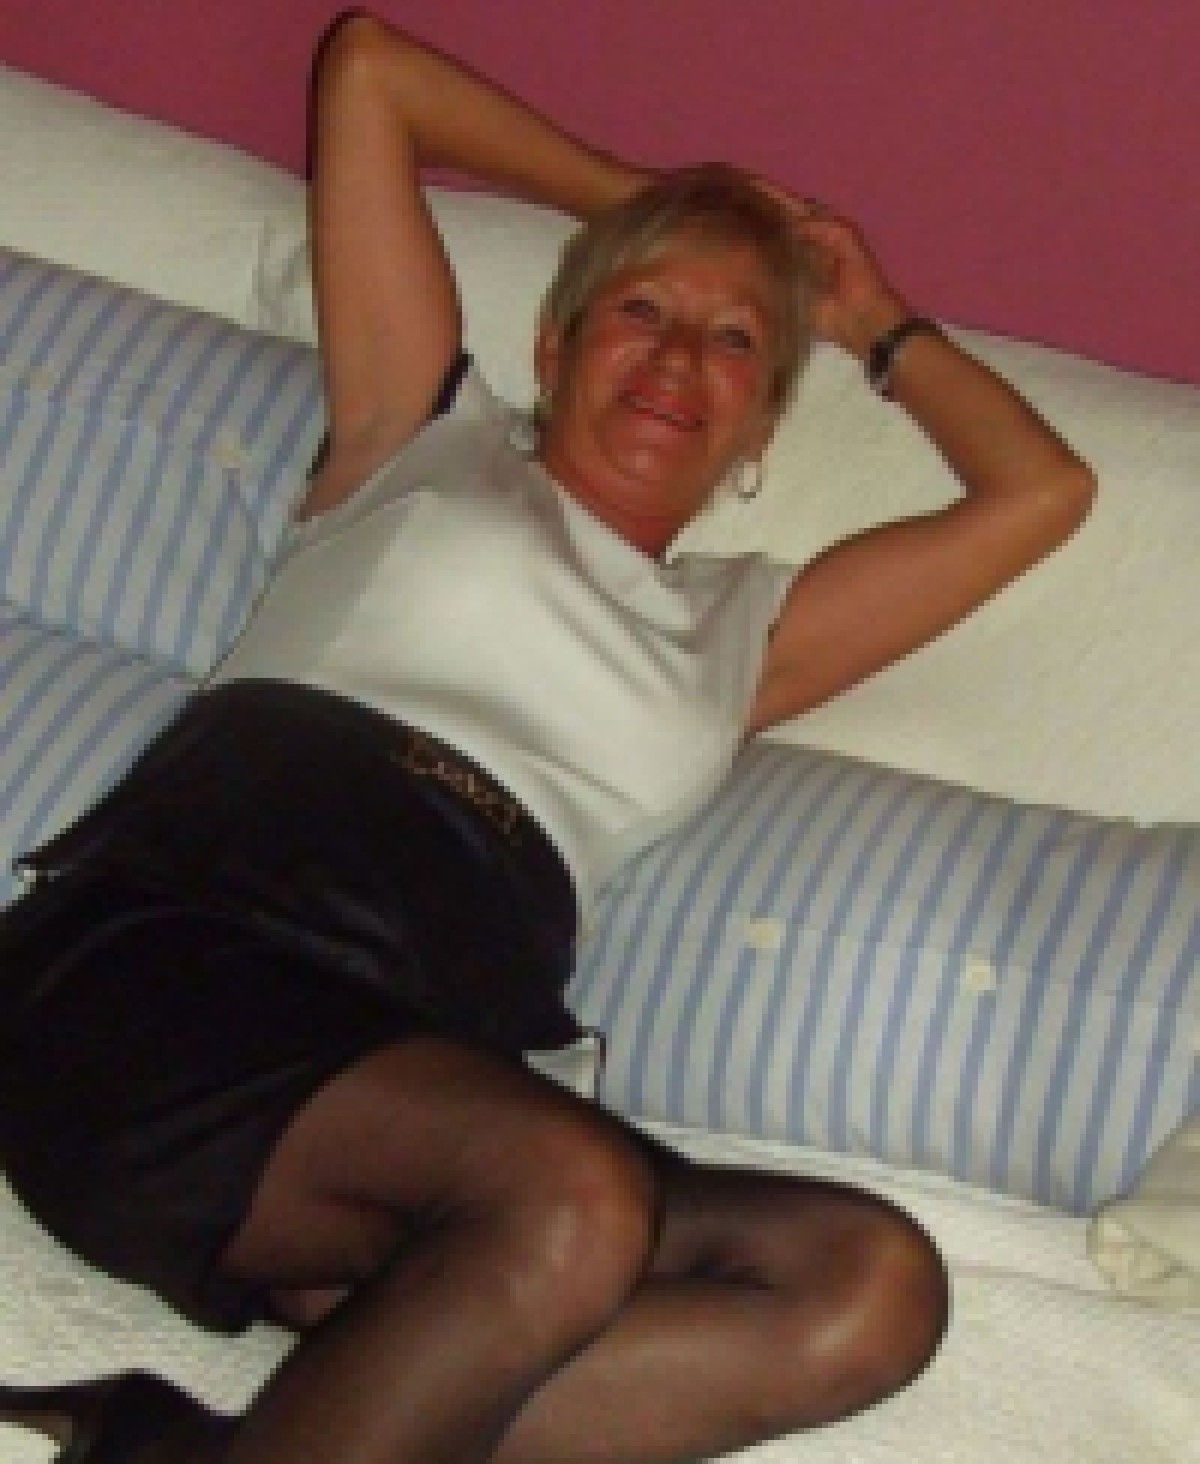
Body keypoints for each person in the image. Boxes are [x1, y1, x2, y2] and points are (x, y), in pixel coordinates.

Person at [0, 11, 1094, 1462]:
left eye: (735, 340)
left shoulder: (745, 635)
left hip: (417, 1117)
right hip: (173, 981)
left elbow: (1042, 492)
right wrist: (647, 207)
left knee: (865, 1286)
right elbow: (371, 71)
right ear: (556, 343)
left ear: (760, 425)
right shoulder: (421, 437)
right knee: (574, 1197)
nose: (678, 357)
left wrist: (873, 319)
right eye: (642, 310)